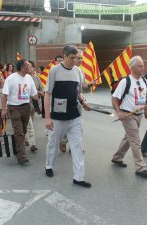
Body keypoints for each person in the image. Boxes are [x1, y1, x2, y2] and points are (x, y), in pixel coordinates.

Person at [44, 45, 92, 188]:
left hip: (75, 116)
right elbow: (47, 93)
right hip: (58, 117)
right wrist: (47, 117)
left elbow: (77, 91)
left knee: (77, 146)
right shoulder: (54, 71)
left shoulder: (78, 71)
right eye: (71, 58)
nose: (74, 61)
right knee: (53, 142)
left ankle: (79, 177)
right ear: (64, 56)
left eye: (76, 58)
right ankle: (49, 166)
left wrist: (83, 102)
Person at [111, 56, 147, 179]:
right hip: (127, 115)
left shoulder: (144, 81)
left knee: (128, 138)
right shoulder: (126, 82)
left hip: (139, 114)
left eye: (143, 65)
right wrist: (118, 112)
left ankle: (117, 158)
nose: (143, 68)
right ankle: (141, 168)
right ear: (132, 67)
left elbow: (144, 98)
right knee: (136, 141)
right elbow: (114, 98)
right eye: (140, 66)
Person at [1, 59, 38, 165]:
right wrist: (4, 109)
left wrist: (45, 95)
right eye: (28, 66)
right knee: (19, 132)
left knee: (23, 131)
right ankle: (21, 156)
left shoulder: (29, 78)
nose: (30, 67)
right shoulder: (11, 78)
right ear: (22, 67)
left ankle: (17, 148)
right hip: (14, 108)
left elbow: (34, 95)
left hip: (26, 107)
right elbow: (4, 95)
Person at [25, 61, 44, 152]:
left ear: (33, 68)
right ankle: (32, 143)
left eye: (30, 66)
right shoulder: (23, 78)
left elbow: (42, 90)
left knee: (29, 122)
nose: (29, 68)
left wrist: (39, 92)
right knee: (30, 125)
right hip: (24, 105)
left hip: (34, 104)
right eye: (27, 66)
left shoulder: (37, 79)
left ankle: (25, 138)